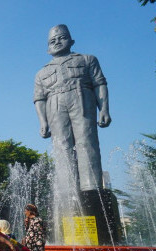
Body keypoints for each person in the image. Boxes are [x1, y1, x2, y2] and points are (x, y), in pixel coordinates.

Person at [33, 24, 111, 192]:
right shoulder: (41, 73)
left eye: (62, 37)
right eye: (52, 40)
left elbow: (99, 84)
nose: (57, 42)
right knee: (61, 146)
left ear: (71, 40)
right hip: (54, 106)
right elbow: (39, 99)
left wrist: (104, 109)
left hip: (82, 99)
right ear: (48, 47)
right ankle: (68, 191)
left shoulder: (87, 59)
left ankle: (92, 188)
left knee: (86, 141)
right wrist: (43, 121)